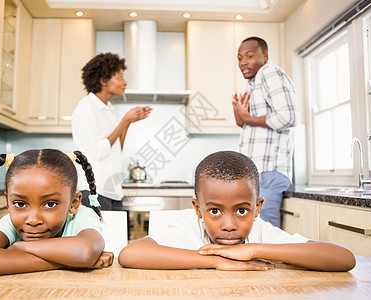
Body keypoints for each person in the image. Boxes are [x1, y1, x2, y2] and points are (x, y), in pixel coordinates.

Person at [118, 151, 356, 272]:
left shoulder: (261, 233)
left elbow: (344, 258)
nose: (229, 224)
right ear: (198, 209)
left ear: (257, 209)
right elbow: (130, 254)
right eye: (214, 211)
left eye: (242, 211)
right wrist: (217, 262)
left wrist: (253, 249)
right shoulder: (189, 229)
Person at [0, 149, 113, 278]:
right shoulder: (10, 222)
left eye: (50, 204)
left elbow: (85, 251)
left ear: (74, 203)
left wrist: (20, 247)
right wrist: (69, 261)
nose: (33, 219)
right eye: (20, 204)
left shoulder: (82, 216)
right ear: (8, 202)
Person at [72, 52, 152, 211]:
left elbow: (116, 149)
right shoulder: (87, 107)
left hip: (113, 191)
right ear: (103, 80)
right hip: (94, 191)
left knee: (115, 236)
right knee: (99, 237)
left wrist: (127, 123)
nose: (125, 82)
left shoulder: (109, 109)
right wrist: (124, 121)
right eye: (120, 77)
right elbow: (99, 151)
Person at [232, 36, 298, 228]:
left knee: (266, 232)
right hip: (257, 172)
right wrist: (241, 117)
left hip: (269, 171)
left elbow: (288, 117)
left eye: (250, 56)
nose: (243, 62)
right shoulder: (253, 83)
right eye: (239, 58)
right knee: (256, 232)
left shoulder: (270, 73)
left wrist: (247, 119)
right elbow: (251, 124)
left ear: (265, 57)